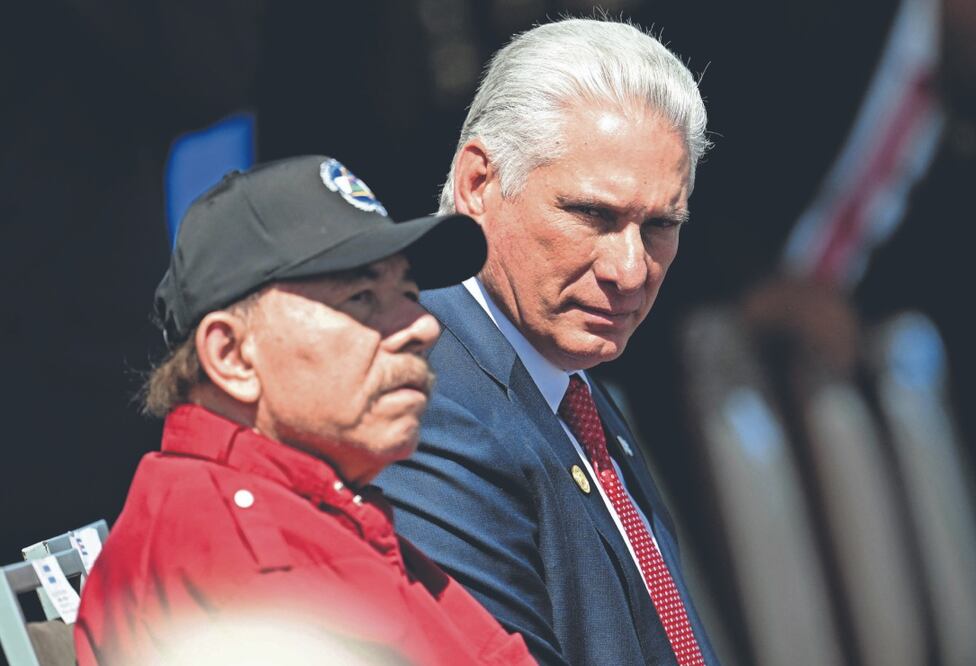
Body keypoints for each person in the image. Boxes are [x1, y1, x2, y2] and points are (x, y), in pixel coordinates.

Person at [74, 155, 535, 666]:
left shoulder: (309, 513)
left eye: (407, 292)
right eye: (361, 296)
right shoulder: (242, 568)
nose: (424, 326)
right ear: (232, 356)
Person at [376, 18, 719, 666]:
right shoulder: (425, 399)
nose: (629, 269)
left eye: (659, 225)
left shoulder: (567, 377)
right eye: (592, 215)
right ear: (479, 182)